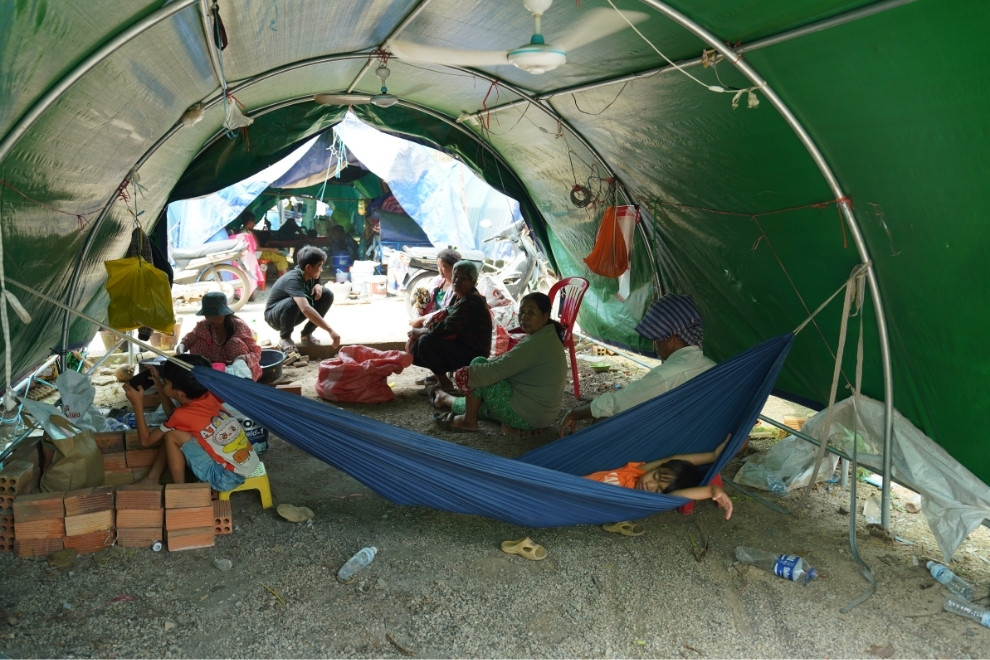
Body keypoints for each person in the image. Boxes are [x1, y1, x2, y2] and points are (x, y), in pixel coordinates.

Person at [560, 293, 716, 437]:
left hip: (671, 440)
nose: (655, 344)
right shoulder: (711, 367)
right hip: (697, 435)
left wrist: (574, 413)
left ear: (670, 339)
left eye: (657, 339)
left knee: (602, 420)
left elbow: (616, 404)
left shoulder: (665, 376)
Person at [432, 292, 566, 432]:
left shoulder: (536, 343)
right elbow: (507, 360)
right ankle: (445, 398)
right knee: (479, 401)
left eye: (531, 313)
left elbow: (497, 369)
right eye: (522, 312)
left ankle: (468, 421)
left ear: (545, 317)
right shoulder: (545, 336)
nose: (524, 317)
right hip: (539, 414)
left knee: (479, 371)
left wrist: (465, 374)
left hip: (529, 416)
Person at [123, 354, 259, 490]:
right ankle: (152, 478)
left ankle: (181, 490)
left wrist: (137, 404)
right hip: (246, 465)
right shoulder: (207, 396)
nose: (164, 381)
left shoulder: (181, 415)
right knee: (174, 431)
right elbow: (175, 418)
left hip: (224, 477)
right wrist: (159, 385)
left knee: (171, 436)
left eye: (166, 381)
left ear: (179, 394)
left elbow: (146, 441)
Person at [584, 435, 733, 520]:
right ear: (654, 468)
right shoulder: (636, 472)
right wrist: (712, 456)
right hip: (572, 483)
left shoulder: (637, 497)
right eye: (655, 476)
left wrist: (713, 491)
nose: (650, 485)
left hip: (577, 498)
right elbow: (673, 458)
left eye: (658, 491)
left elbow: (679, 495)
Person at [406, 260, 492, 392]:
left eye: (463, 279)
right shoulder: (458, 296)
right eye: (455, 277)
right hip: (461, 344)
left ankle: (445, 383)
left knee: (425, 342)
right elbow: (444, 319)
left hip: (474, 352)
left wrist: (422, 331)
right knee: (420, 342)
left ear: (473, 282)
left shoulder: (472, 302)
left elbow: (447, 326)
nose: (457, 281)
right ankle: (437, 374)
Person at [264, 245, 341, 353]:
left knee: (327, 294)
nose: (321, 269)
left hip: (293, 313)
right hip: (275, 317)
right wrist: (330, 330)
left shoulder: (310, 273)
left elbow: (317, 280)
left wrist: (318, 285)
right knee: (294, 302)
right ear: (308, 267)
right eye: (319, 266)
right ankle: (285, 338)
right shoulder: (293, 279)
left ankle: (306, 333)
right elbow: (305, 309)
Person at [175, 291, 263, 381]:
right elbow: (186, 341)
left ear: (224, 313)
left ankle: (242, 381)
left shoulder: (238, 326)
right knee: (198, 340)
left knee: (234, 343)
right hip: (215, 370)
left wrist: (244, 358)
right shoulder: (203, 326)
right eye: (208, 315)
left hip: (238, 372)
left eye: (215, 315)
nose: (211, 319)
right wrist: (181, 352)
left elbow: (256, 352)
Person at [409, 248, 461, 329]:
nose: (440, 270)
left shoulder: (457, 288)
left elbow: (445, 312)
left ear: (454, 267)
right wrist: (417, 317)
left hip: (443, 324)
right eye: (438, 266)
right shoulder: (437, 280)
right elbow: (423, 301)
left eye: (444, 267)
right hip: (429, 319)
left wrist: (421, 320)